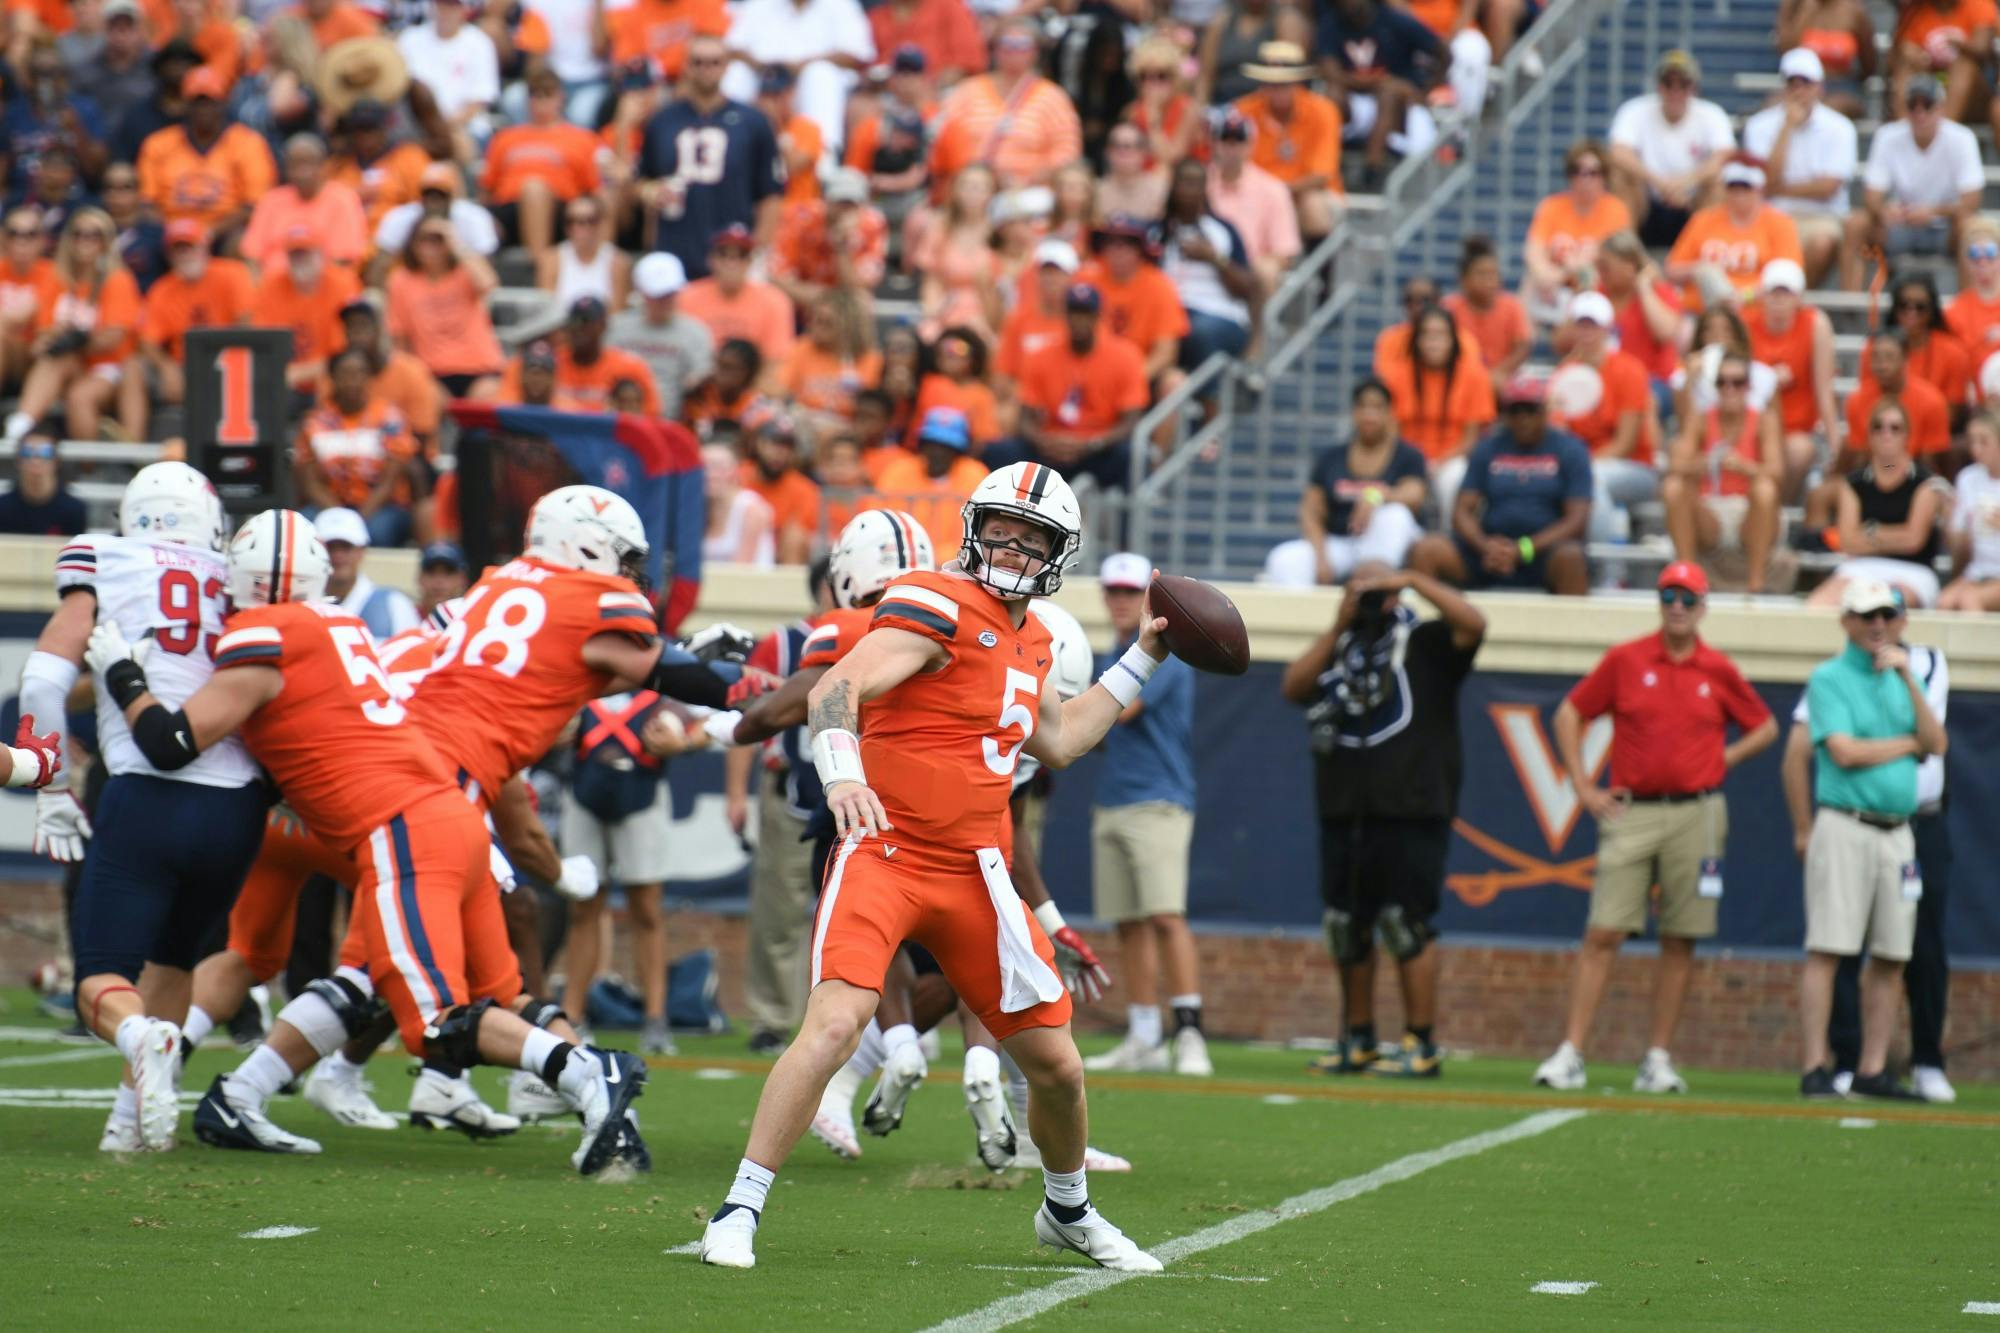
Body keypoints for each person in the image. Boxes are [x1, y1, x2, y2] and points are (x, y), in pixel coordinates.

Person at [697, 461, 1163, 1273]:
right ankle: (739, 1206)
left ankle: (1067, 1209)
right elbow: (836, 687)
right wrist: (842, 773)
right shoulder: (934, 598)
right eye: (1002, 530)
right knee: (836, 1022)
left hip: (977, 869)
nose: (1013, 548)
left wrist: (1146, 654)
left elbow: (1059, 739)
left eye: (1033, 539)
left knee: (1056, 1064)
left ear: (1061, 552)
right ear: (974, 528)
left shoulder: (1039, 634)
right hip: (888, 851)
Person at [90, 507, 651, 1169]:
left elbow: (185, 732)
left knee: (280, 959)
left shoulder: (321, 632)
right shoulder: (360, 631)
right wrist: (549, 868)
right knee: (411, 986)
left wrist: (121, 674)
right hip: (398, 816)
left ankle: (230, 1086)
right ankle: (570, 1075)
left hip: (305, 812)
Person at [19, 463, 260, 1154]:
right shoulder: (235, 570)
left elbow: (44, 677)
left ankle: (136, 1035)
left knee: (103, 977)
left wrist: (54, 784)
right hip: (236, 808)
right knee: (176, 959)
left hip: (147, 794)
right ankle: (130, 1122)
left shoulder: (103, 554)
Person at [1532, 562, 1776, 1095]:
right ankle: (1571, 1051)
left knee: (1681, 936)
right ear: (1658, 600)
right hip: (1633, 809)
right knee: (1604, 930)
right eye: (1670, 596)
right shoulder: (1627, 659)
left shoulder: (1718, 667)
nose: (1678, 607)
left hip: (1699, 812)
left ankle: (1657, 1057)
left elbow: (1765, 726)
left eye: (1688, 598)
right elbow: (1570, 714)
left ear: (1704, 605)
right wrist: (1582, 785)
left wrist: (1721, 760)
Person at [1281, 563, 1485, 1078]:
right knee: (1346, 926)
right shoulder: (1341, 648)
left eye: (1379, 590)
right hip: (1346, 806)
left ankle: (1421, 1042)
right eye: (1361, 590)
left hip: (1414, 805)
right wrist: (1339, 622)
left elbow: (1474, 624)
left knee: (1405, 924)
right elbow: (1293, 686)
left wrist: (1415, 579)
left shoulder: (1428, 642)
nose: (1373, 600)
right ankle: (1359, 1038)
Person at [1782, 597, 1955, 1102]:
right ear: (1847, 621)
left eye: (1887, 615)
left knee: (1892, 952)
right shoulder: (1830, 677)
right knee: (1830, 948)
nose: (1878, 625)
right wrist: (1907, 745)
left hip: (1899, 830)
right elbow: (1844, 751)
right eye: (1866, 616)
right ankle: (1816, 1065)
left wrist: (1906, 681)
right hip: (1846, 822)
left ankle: (1873, 1069)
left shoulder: (1912, 675)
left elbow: (1937, 742)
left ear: (1901, 621)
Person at [1080, 552, 1206, 1078]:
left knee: (1165, 916)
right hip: (1114, 800)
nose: (1120, 601)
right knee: (1129, 924)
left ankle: (1191, 1033)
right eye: (1114, 591)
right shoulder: (1114, 652)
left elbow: (1116, 710)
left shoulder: (1166, 654)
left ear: (1150, 600)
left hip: (1158, 800)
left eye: (1131, 592)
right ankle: (1144, 1035)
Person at [562, 687, 699, 1057]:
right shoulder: (583, 671)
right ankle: (572, 1015)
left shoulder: (659, 672)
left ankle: (655, 1017)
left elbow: (704, 722)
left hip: (641, 793)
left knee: (647, 909)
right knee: (583, 905)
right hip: (585, 791)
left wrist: (682, 741)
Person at [1408, 376, 1593, 595]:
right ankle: (1424, 626)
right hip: (1487, 551)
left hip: (1543, 553)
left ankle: (1572, 628)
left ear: (1545, 412)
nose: (1523, 418)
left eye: (1530, 410)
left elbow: (1577, 520)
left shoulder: (1570, 449)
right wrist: (1486, 546)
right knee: (1426, 550)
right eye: (1515, 411)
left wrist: (1524, 549)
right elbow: (1461, 512)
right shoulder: (1488, 447)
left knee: (1571, 556)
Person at [639, 36, 785, 281]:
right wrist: (649, 192)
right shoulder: (661, 121)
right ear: (686, 66)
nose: (706, 69)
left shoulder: (753, 121)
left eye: (714, 62)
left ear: (727, 66)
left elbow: (771, 194)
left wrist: (756, 251)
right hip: (675, 247)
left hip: (733, 250)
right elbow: (642, 179)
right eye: (698, 62)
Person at [1263, 378, 1427, 586]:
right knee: (1284, 559)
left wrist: (1374, 497)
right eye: (1363, 406)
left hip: (1391, 545)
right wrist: (1321, 558)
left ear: (1390, 413)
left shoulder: (1408, 455)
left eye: (1377, 407)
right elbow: (1310, 511)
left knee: (1395, 514)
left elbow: (1414, 495)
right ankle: (1307, 615)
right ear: (1354, 412)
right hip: (1344, 542)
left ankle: (1376, 590)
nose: (1370, 415)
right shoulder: (1332, 457)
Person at [987, 284, 1150, 494]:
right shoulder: (1041, 356)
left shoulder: (1126, 356)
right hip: (1052, 444)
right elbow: (1025, 418)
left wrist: (1092, 444)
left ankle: (1127, 526)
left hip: (1098, 447)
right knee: (1001, 451)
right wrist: (1043, 442)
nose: (1079, 321)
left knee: (1131, 455)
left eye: (1086, 314)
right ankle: (1005, 521)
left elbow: (1131, 421)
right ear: (1065, 316)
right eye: (1074, 313)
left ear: (1098, 316)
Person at [118, 219, 256, 443]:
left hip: (227, 361)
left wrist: (220, 360)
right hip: (182, 365)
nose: (184, 254)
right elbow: (147, 341)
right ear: (169, 255)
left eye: (189, 247)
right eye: (178, 249)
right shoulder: (163, 289)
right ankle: (130, 447)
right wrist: (166, 367)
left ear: (204, 248)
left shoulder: (232, 274)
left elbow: (246, 323)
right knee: (132, 366)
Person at [9, 208, 139, 444]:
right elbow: (43, 335)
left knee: (80, 396)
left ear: (105, 240)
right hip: (69, 363)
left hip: (108, 367)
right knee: (54, 360)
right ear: (69, 239)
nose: (85, 240)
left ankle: (90, 469)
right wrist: (62, 338)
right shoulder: (56, 278)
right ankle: (19, 426)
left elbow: (111, 339)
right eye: (78, 234)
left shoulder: (117, 279)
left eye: (94, 235)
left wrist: (72, 337)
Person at [1843, 75, 1983, 291]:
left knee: (1972, 228)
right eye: (1913, 106)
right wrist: (1884, 211)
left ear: (1941, 108)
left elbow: (1972, 201)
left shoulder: (1962, 138)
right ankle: (1849, 310)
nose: (1920, 114)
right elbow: (1871, 194)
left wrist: (1933, 212)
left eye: (1927, 105)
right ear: (1905, 108)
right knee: (1856, 225)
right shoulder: (1887, 135)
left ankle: (1966, 315)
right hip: (1899, 226)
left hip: (1945, 229)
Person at [1662, 352, 1786, 592]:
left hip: (1748, 513)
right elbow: (1676, 465)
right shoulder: (1699, 419)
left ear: (1748, 386)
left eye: (1737, 382)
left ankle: (1755, 581)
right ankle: (1686, 578)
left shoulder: (1763, 420)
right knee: (1674, 487)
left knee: (1765, 489)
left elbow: (1777, 471)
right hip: (1710, 512)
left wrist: (1743, 467)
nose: (1729, 389)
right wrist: (1706, 463)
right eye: (1722, 382)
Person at [1811, 398, 1948, 610]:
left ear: (1907, 436)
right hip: (1861, 568)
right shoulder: (1853, 483)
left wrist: (1870, 532)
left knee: (1886, 606)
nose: (1886, 434)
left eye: (1895, 428)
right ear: (1870, 435)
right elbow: (1847, 541)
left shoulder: (1925, 482)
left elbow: (1913, 540)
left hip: (1913, 571)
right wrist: (1896, 535)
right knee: (1818, 605)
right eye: (1879, 427)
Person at [1549, 290, 1660, 546]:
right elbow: (1557, 434)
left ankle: (1605, 571)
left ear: (1607, 328)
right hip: (1582, 464)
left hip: (1634, 466)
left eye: (1593, 325)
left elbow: (1626, 444)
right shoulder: (1565, 374)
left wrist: (1577, 466)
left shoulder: (1629, 369)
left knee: (1591, 479)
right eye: (1581, 324)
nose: (1587, 332)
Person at [1740, 49, 1858, 289]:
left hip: (1820, 216)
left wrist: (1778, 189)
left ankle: (1789, 300)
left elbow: (1828, 188)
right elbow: (1764, 181)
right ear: (1783, 88)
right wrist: (1786, 128)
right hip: (1770, 216)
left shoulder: (1841, 128)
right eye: (1792, 83)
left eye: (1806, 83)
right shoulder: (1759, 125)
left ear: (1820, 88)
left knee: (1822, 243)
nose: (1799, 90)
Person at [927, 20, 1080, 192]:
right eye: (1007, 44)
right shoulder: (967, 90)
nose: (1013, 51)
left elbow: (1067, 152)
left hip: (1030, 191)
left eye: (1022, 45)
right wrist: (970, 173)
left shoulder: (1054, 97)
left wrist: (1029, 180)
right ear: (995, 49)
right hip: (971, 187)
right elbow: (941, 132)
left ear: (1035, 51)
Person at [1606, 50, 1735, 248]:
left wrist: (1685, 183)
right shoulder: (1634, 110)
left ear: (1693, 88)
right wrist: (1659, 183)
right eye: (1669, 84)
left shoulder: (1711, 114)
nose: (1675, 92)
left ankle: (1704, 249)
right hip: (1646, 201)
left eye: (1682, 85)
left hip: (1691, 201)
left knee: (1718, 181)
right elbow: (1618, 152)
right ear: (1659, 87)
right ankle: (1626, 250)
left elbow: (1725, 156)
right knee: (1620, 175)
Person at [135, 67, 277, 246]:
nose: (204, 109)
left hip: (224, 231)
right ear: (185, 105)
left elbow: (254, 205)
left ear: (223, 104)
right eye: (197, 102)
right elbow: (147, 204)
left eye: (210, 102)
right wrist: (178, 233)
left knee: (242, 242)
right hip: (170, 232)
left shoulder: (249, 143)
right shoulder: (158, 144)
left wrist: (209, 232)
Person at [297, 347, 419, 548]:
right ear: (332, 378)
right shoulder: (316, 422)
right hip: (329, 505)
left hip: (381, 506)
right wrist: (340, 517)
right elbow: (311, 483)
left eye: (359, 373)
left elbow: (389, 482)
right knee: (304, 530)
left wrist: (356, 521)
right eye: (344, 373)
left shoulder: (390, 418)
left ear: (369, 377)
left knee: (376, 533)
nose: (352, 380)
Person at [1314, 0, 1440, 191]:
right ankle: (1330, 168)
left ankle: (1373, 170)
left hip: (1400, 109)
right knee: (1332, 94)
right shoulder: (1330, 24)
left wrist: (1425, 91)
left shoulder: (1394, 21)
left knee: (1389, 92)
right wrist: (1376, 82)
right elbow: (1330, 73)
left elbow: (1443, 52)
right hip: (1355, 104)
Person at [481, 67, 602, 258]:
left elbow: (593, 190)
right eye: (536, 95)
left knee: (534, 189)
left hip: (560, 212)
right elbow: (487, 189)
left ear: (561, 97)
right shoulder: (505, 138)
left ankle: (539, 266)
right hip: (509, 210)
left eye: (548, 94)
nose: (541, 101)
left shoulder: (582, 138)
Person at [1745, 258, 1840, 499]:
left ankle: (1775, 509)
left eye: (1785, 293)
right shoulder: (1746, 324)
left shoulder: (1815, 324)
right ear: (1762, 295)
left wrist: (1835, 446)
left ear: (1798, 298)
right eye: (1773, 293)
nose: (1778, 300)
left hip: (1795, 430)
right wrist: (1768, 380)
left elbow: (1824, 390)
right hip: (1752, 426)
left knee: (1799, 450)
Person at [1232, 42, 1342, 244]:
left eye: (1284, 83)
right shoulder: (1243, 111)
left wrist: (1277, 194)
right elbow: (1236, 165)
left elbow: (1321, 176)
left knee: (1313, 204)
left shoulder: (1324, 111)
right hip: (1257, 195)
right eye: (1270, 83)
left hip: (1306, 195)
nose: (1276, 89)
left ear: (1298, 82)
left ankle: (1320, 274)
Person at [385, 218, 506, 400]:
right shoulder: (400, 281)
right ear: (412, 243)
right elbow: (399, 337)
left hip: (480, 366)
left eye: (438, 239)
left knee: (486, 399)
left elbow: (489, 284)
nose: (430, 245)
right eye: (424, 239)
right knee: (428, 400)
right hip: (432, 372)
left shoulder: (464, 272)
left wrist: (457, 245)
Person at [1158, 159, 1258, 374]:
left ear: (1205, 189)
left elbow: (1247, 289)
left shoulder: (1223, 230)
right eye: (1183, 182)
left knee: (1198, 332)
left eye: (1195, 183)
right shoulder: (1157, 232)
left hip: (1218, 313)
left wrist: (1214, 259)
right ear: (1173, 186)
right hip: (1168, 314)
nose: (1188, 189)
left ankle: (1210, 402)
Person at [1665, 160, 1803, 310]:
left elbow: (1787, 278)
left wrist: (1744, 296)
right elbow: (1672, 269)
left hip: (1754, 311)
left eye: (1746, 188)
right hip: (1700, 308)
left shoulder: (1780, 223)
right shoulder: (1703, 220)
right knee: (1707, 276)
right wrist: (1699, 269)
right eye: (1733, 187)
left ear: (1759, 190)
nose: (1739, 194)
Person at [1521, 140, 1633, 326]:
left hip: (1596, 285)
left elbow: (1619, 259)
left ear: (1604, 176)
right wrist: (1562, 272)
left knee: (1593, 276)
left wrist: (1580, 269)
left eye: (1592, 173)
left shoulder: (1616, 210)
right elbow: (1533, 253)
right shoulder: (1551, 206)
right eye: (1577, 172)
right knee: (1530, 281)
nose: (1585, 180)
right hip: (1555, 284)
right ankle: (1522, 344)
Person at [240, 133, 370, 275]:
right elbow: (251, 257)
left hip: (323, 288)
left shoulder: (343, 199)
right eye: (295, 164)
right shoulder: (271, 200)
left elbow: (343, 260)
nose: (302, 172)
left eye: (309, 163)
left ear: (323, 165)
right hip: (272, 288)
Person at [1206, 108, 1303, 296]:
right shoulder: (1197, 182)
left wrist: (1253, 266)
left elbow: (1285, 252)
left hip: (1248, 270)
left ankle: (1258, 326)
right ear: (1214, 144)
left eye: (1239, 141)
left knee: (1266, 270)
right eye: (1225, 140)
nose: (1231, 148)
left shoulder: (1273, 189)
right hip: (1204, 262)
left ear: (1251, 145)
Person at [610, 251, 714, 424]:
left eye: (669, 294)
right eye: (657, 295)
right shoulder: (616, 328)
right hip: (620, 418)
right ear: (642, 292)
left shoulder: (696, 333)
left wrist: (695, 383)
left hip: (672, 421)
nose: (664, 301)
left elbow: (702, 377)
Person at [872, 407, 989, 560]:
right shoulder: (899, 471)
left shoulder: (975, 475)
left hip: (952, 567)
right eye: (932, 444)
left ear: (959, 451)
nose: (937, 452)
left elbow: (976, 533)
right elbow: (878, 520)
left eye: (946, 447)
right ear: (922, 445)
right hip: (899, 560)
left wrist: (935, 557)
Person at [771, 166, 892, 310]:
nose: (844, 210)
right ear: (825, 200)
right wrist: (826, 299)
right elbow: (777, 278)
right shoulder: (800, 218)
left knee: (861, 301)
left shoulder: (873, 224)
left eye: (851, 204)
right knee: (773, 297)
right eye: (839, 202)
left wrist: (841, 248)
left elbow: (858, 287)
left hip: (843, 301)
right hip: (806, 296)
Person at [395, 0, 499, 162]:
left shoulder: (479, 42)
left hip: (464, 126)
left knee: (459, 145)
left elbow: (479, 101)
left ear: (463, 9)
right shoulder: (410, 39)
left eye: (452, 5)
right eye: (441, 5)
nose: (445, 11)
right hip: (417, 126)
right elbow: (399, 89)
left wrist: (444, 127)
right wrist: (431, 127)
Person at [678, 225, 797, 361]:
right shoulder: (685, 297)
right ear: (710, 259)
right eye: (723, 254)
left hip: (751, 379)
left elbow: (776, 361)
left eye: (741, 255)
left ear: (751, 261)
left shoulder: (775, 301)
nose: (731, 262)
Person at [1443, 235, 1531, 394]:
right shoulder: (1450, 307)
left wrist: (1499, 372)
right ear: (1464, 279)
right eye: (1481, 274)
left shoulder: (1511, 306)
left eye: (1493, 274)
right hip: (1461, 376)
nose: (1489, 281)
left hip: (1502, 376)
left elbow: (1521, 348)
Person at [314, 506, 420, 638]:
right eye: (330, 547)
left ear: (361, 551)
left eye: (346, 547)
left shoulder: (395, 604)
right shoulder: (302, 605)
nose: (338, 555)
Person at [537, 195, 632, 313]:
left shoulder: (618, 262)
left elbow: (617, 314)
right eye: (572, 221)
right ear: (566, 227)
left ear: (600, 224)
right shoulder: (551, 260)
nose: (580, 227)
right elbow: (548, 312)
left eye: (589, 220)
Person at [703, 440, 778, 566]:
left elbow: (741, 570)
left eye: (719, 467)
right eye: (704, 467)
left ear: (734, 471)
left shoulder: (753, 509)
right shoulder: (692, 509)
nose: (711, 475)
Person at [0, 432, 86, 536]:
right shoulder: (3, 508)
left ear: (56, 461)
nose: (35, 460)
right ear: (18, 460)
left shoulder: (74, 510)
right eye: (27, 453)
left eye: (45, 453)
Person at [417, 541, 470, 616]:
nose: (439, 581)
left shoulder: (470, 620)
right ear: (420, 578)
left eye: (448, 572)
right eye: (431, 572)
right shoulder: (403, 617)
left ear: (462, 579)